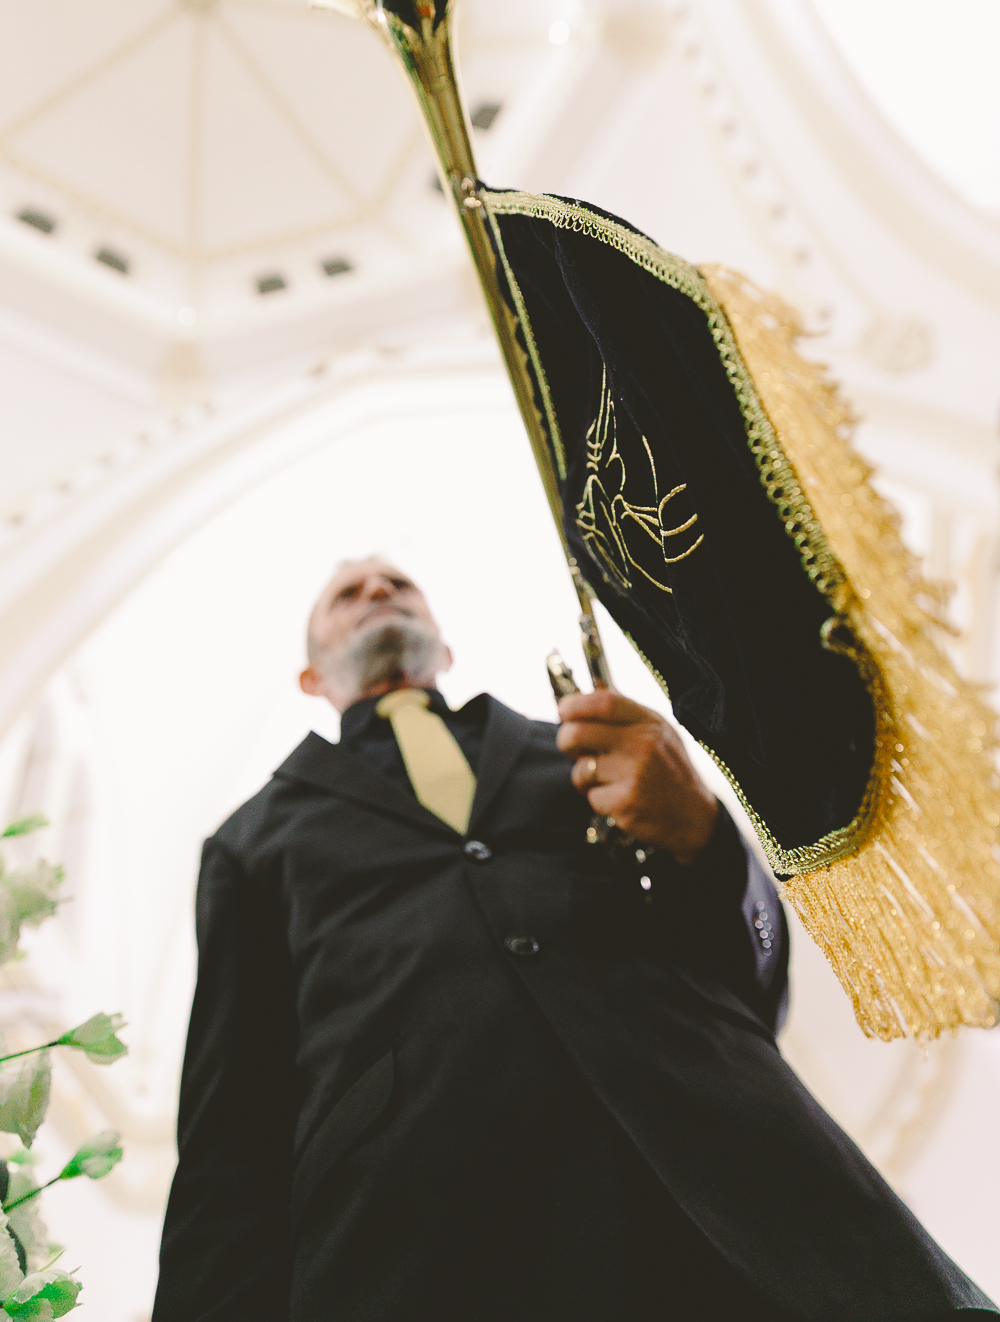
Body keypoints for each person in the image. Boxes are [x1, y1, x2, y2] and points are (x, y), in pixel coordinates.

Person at [153, 557, 997, 1322]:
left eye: (399, 583)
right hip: (419, 1255)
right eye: (349, 593)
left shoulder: (592, 750)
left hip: (744, 1204)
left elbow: (753, 984)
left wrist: (704, 835)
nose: (378, 589)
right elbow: (229, 1141)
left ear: (446, 647)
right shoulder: (249, 842)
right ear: (311, 676)